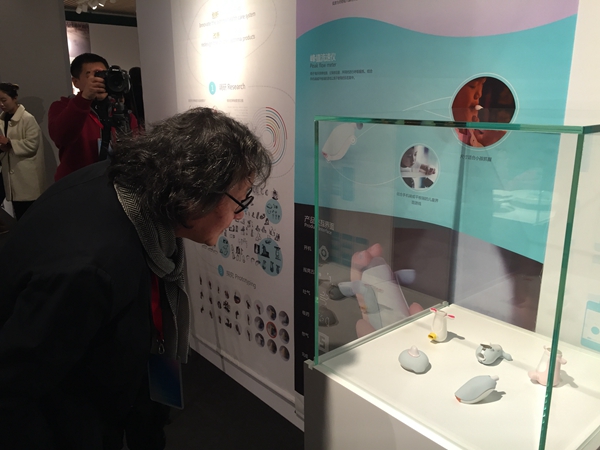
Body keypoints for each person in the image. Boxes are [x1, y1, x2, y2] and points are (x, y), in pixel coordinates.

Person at [0, 107, 272, 449]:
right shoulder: (92, 267)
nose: (240, 215)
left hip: (112, 385)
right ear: (196, 192)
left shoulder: (126, 189)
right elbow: (15, 385)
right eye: (238, 201)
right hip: (71, 418)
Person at [49, 53, 137, 181]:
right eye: (90, 75)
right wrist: (84, 99)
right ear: (75, 82)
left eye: (102, 75)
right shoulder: (62, 107)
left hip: (113, 182)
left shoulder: (120, 110)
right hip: (77, 184)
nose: (98, 80)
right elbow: (61, 137)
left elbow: (135, 147)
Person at [0, 82, 46, 219]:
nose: (1, 104)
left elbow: (32, 145)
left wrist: (9, 142)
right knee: (19, 214)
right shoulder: (3, 119)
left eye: (4, 100)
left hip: (26, 177)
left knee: (30, 215)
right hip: (12, 175)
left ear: (14, 98)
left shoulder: (27, 118)